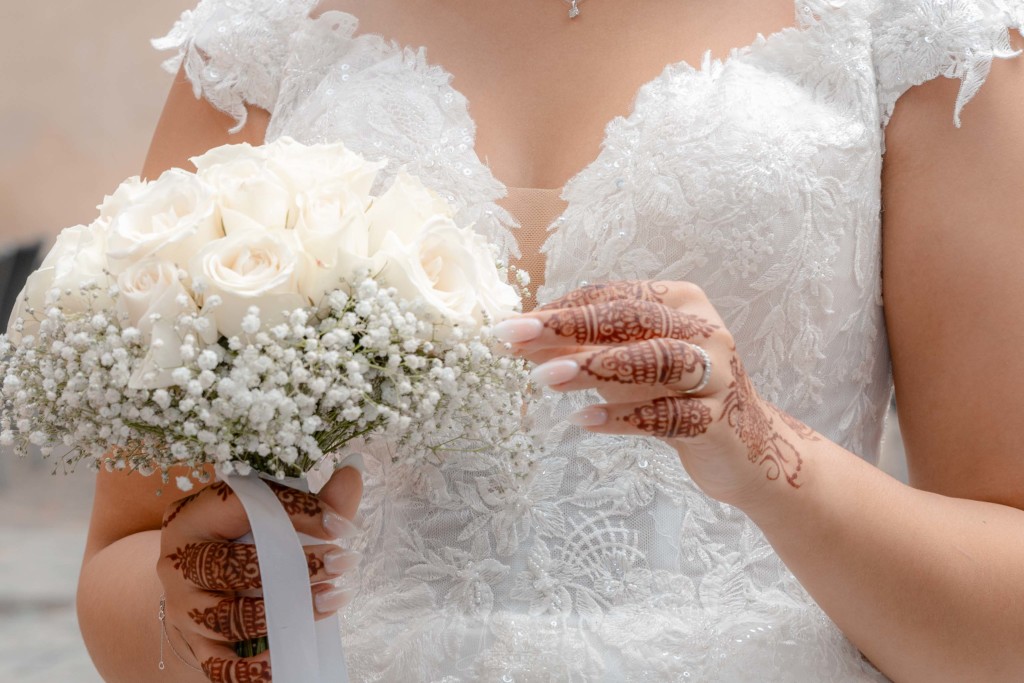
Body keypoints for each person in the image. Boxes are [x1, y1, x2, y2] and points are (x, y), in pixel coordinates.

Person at [77, 0, 1024, 680]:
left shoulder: (920, 34)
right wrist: (199, 611)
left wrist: (765, 451)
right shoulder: (262, 40)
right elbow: (125, 558)